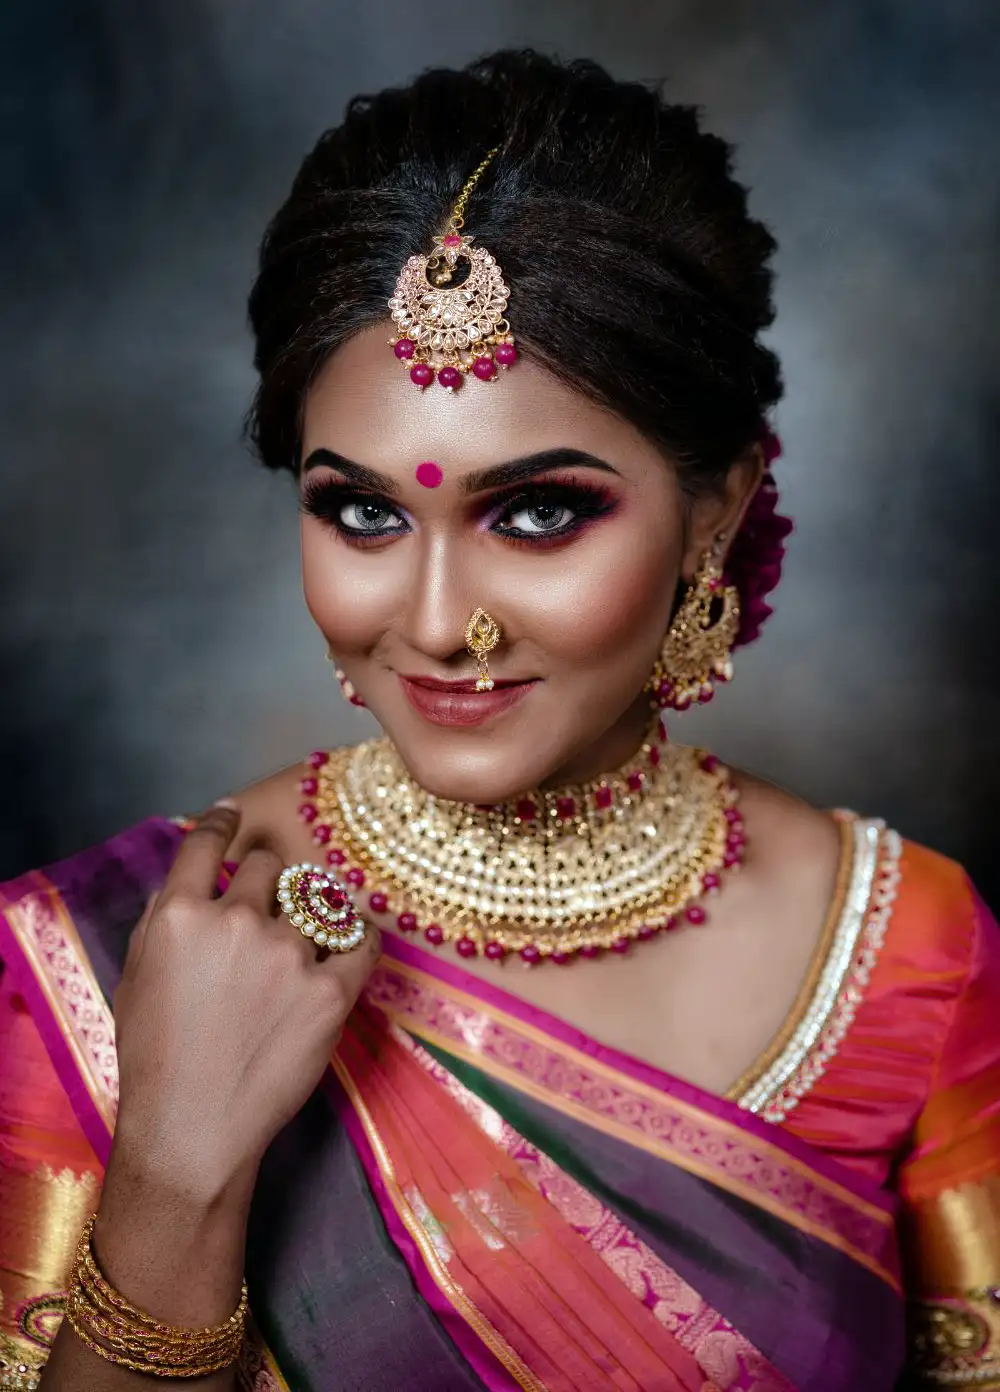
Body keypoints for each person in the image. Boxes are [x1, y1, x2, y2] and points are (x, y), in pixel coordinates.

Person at [1, 49, 998, 1392]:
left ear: (716, 507)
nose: (433, 620)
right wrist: (176, 1172)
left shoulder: (908, 959)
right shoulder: (92, 965)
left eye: (537, 512)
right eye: (361, 512)